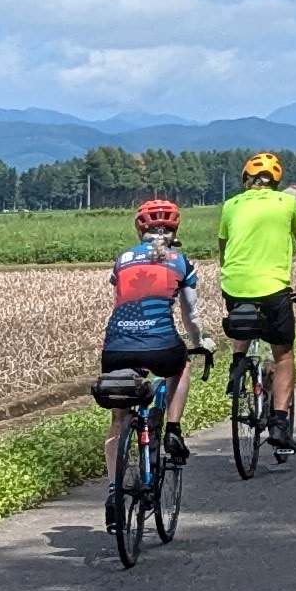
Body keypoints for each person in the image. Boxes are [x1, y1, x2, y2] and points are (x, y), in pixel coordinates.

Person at [216, 152, 296, 451]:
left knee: (243, 319)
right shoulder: (288, 203)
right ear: (276, 182)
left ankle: (237, 366)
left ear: (246, 179)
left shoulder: (230, 206)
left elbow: (224, 252)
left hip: (234, 284)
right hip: (273, 289)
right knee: (283, 356)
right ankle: (279, 423)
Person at [100, 196, 207, 481]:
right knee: (181, 364)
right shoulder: (181, 262)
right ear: (175, 231)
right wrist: (199, 342)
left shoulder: (122, 261)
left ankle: (114, 492)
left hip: (116, 347)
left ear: (139, 229)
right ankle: (173, 428)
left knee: (118, 421)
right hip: (161, 346)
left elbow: (120, 299)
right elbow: (190, 314)